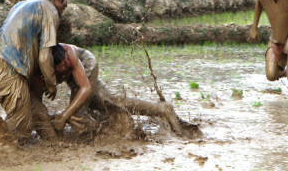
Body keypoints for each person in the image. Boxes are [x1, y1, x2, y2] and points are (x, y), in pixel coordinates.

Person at [0, 0, 69, 139]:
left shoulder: (21, 6)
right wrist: (51, 84)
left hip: (1, 66)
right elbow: (45, 57)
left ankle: (52, 144)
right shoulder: (49, 10)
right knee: (22, 127)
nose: (66, 4)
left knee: (40, 115)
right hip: (11, 71)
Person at [47, 44, 187, 135]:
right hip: (76, 72)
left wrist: (64, 115)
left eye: (65, 66)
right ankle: (161, 109)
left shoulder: (68, 53)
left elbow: (85, 88)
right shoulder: (39, 61)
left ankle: (111, 132)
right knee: (109, 101)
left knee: (76, 114)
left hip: (85, 63)